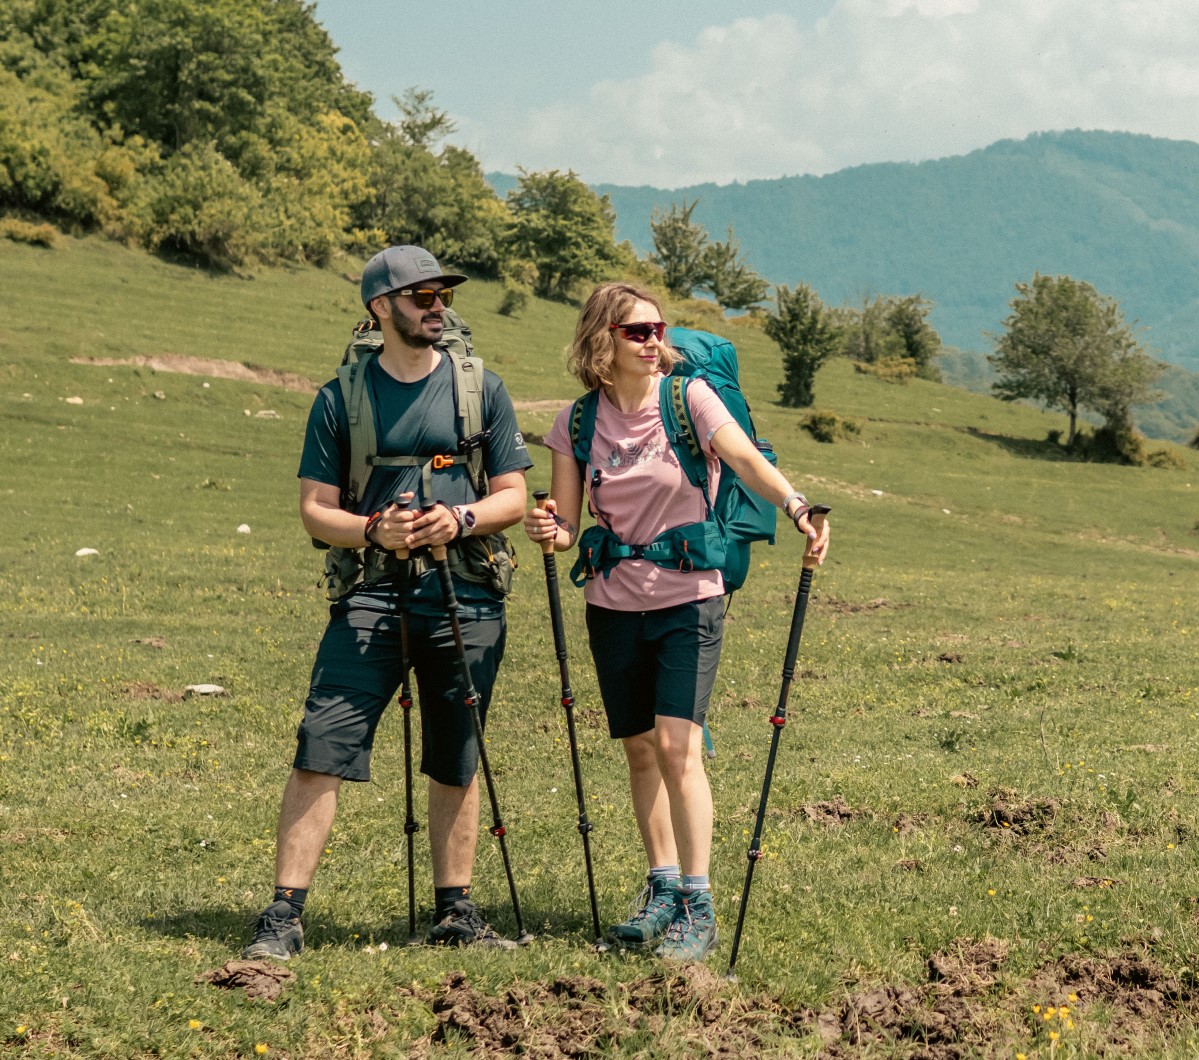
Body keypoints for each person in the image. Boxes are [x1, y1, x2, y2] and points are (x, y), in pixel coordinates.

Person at [524, 281, 829, 962]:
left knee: (677, 747)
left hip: (690, 596)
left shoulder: (688, 398)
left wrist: (798, 506)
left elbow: (745, 457)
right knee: (638, 749)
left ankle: (698, 901)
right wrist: (549, 527)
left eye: (658, 328)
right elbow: (570, 525)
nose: (655, 340)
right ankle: (661, 888)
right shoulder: (577, 423)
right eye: (638, 332)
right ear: (602, 342)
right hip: (611, 603)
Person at [243, 245, 532, 960]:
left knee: (456, 754)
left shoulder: (481, 389)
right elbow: (315, 511)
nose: (439, 307)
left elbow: (514, 496)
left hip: (465, 594)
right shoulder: (340, 399)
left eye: (443, 296)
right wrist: (375, 528)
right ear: (380, 307)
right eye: (422, 296)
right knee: (323, 744)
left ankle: (456, 911)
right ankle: (283, 914)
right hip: (371, 596)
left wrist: (460, 519)